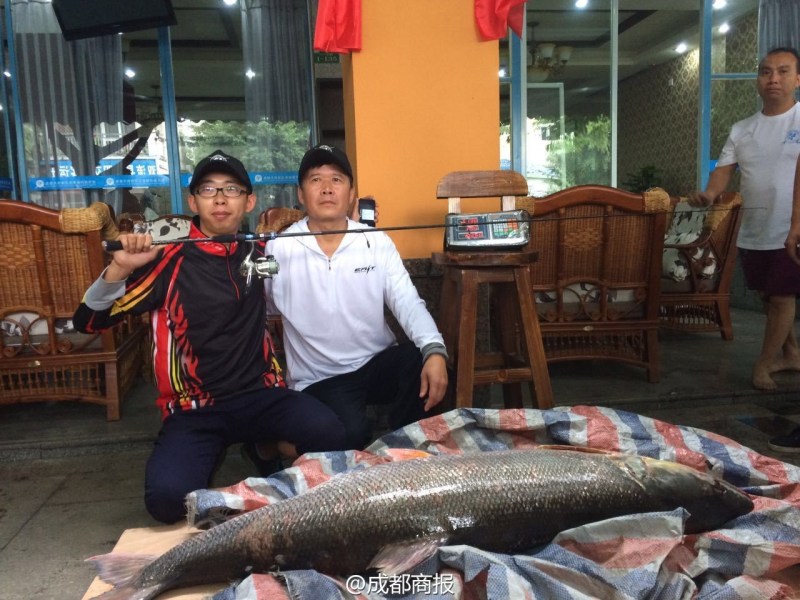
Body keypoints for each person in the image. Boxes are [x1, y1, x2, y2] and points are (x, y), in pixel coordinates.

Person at [72, 149, 347, 523]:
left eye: (231, 189)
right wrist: (119, 268)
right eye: (208, 189)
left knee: (332, 434)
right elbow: (87, 322)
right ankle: (246, 474)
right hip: (194, 409)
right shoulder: (167, 260)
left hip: (262, 394)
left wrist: (351, 218)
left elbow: (315, 243)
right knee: (167, 502)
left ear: (249, 201)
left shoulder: (261, 250)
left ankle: (262, 450)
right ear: (193, 202)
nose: (220, 199)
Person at [265, 144, 449, 449]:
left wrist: (435, 350)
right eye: (316, 180)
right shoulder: (280, 249)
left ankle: (407, 453)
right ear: (301, 194)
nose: (327, 188)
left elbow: (407, 301)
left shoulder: (374, 241)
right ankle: (275, 445)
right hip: (321, 378)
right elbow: (263, 308)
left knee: (423, 362)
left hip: (375, 364)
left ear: (352, 194)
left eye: (337, 180)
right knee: (350, 435)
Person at [690, 47, 800, 400]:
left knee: (782, 295)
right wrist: (709, 194)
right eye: (766, 72)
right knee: (768, 295)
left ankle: (764, 363)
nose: (773, 79)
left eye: (783, 71)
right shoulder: (743, 129)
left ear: (798, 79)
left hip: (792, 227)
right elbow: (723, 171)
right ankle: (791, 353)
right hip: (755, 226)